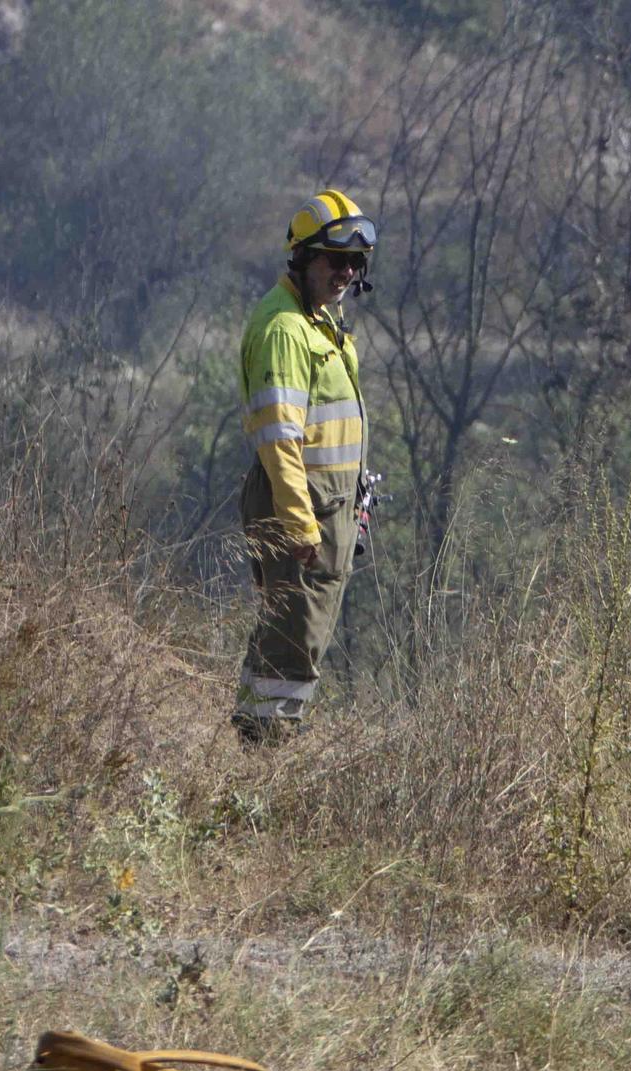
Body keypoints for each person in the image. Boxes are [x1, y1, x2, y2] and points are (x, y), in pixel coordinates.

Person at [231, 190, 376, 744]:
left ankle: (257, 745)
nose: (344, 273)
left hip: (329, 510)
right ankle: (265, 756)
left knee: (292, 638)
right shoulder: (285, 330)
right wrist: (298, 524)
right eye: (333, 260)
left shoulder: (318, 323)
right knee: (293, 643)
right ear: (303, 259)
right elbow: (279, 440)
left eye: (353, 263)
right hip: (303, 514)